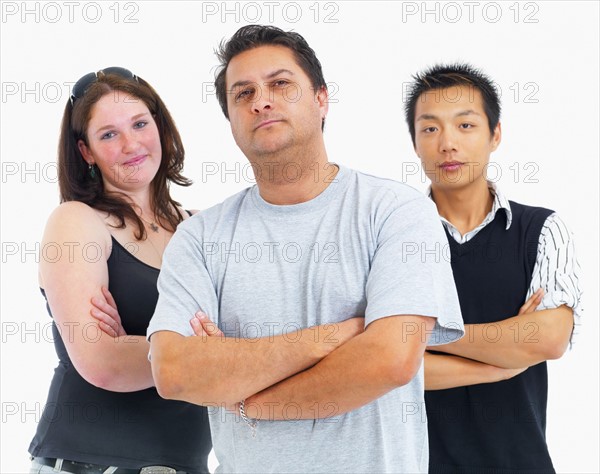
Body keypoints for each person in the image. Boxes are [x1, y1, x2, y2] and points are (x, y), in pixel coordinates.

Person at [146, 25, 464, 473]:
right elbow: (175, 371)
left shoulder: (397, 212)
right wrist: (335, 337)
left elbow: (389, 360)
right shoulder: (200, 238)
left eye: (280, 84)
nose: (261, 101)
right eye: (243, 94)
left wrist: (247, 398)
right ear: (231, 121)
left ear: (320, 99)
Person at [29, 67, 212, 474]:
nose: (131, 144)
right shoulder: (76, 222)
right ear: (86, 152)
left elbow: (250, 337)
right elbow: (103, 363)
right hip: (90, 463)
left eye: (140, 124)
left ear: (160, 128)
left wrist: (145, 345)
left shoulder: (202, 229)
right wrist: (208, 350)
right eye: (108, 134)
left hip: (187, 464)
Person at [403, 63, 583, 473]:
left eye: (465, 126)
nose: (447, 143)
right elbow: (382, 364)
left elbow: (550, 339)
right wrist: (498, 365)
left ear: (495, 134)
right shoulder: (391, 237)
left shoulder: (541, 230)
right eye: (430, 129)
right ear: (414, 143)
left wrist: (420, 334)